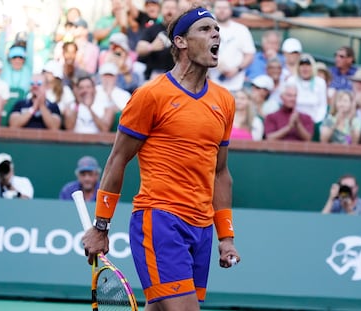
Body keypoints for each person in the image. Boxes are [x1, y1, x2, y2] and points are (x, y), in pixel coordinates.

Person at [82, 6, 240, 310]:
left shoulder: (225, 101)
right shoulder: (150, 95)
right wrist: (101, 226)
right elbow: (118, 159)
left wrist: (226, 236)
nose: (216, 33)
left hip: (202, 229)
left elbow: (221, 172)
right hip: (160, 221)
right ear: (180, 42)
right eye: (205, 29)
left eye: (216, 29)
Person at [209, 0, 256, 91]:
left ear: (231, 10)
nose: (222, 11)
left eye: (225, 8)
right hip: (212, 83)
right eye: (219, 8)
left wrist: (237, 69)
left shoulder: (241, 29)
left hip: (236, 85)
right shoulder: (208, 28)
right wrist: (218, 64)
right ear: (214, 10)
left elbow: (250, 54)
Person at [135, 0, 178, 81]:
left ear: (178, 11)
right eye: (167, 7)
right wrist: (151, 47)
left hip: (176, 77)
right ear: (161, 10)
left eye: (173, 8)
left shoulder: (183, 30)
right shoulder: (153, 28)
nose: (169, 11)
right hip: (154, 76)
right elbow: (139, 49)